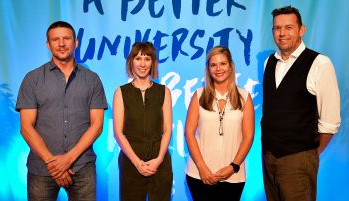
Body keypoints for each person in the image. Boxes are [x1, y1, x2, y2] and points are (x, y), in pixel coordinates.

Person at [15, 21, 108, 201]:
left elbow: (97, 126)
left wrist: (67, 159)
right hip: (41, 168)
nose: (62, 43)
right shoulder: (32, 79)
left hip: (82, 166)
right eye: (55, 40)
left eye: (66, 38)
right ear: (48, 45)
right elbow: (26, 127)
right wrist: (53, 163)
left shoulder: (92, 79)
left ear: (76, 42)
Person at [261, 6, 341, 201]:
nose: (282, 33)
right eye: (277, 28)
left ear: (301, 30)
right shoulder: (269, 62)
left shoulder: (319, 63)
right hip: (269, 157)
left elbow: (330, 121)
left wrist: (308, 154)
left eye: (288, 27)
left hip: (299, 159)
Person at [185, 46, 255, 201]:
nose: (218, 69)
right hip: (199, 175)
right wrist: (202, 168)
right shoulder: (198, 95)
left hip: (233, 176)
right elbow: (189, 133)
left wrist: (233, 166)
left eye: (223, 64)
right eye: (213, 65)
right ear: (208, 69)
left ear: (230, 67)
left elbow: (249, 136)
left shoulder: (245, 97)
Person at [113, 42, 173, 201]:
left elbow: (167, 130)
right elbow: (118, 133)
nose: (142, 63)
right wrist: (137, 162)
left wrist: (159, 159)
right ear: (131, 61)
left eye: (147, 59)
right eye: (138, 58)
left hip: (159, 159)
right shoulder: (121, 92)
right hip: (131, 159)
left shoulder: (164, 91)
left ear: (153, 62)